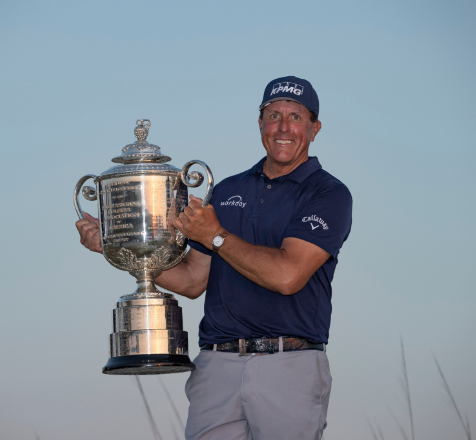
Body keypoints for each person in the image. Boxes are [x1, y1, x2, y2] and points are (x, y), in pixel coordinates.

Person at [76, 76, 352, 440]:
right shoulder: (227, 190)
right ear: (260, 124)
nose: (283, 127)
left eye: (296, 117)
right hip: (217, 365)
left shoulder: (329, 194)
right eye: (273, 116)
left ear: (314, 128)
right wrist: (121, 246)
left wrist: (216, 236)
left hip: (289, 364)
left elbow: (288, 276)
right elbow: (191, 280)